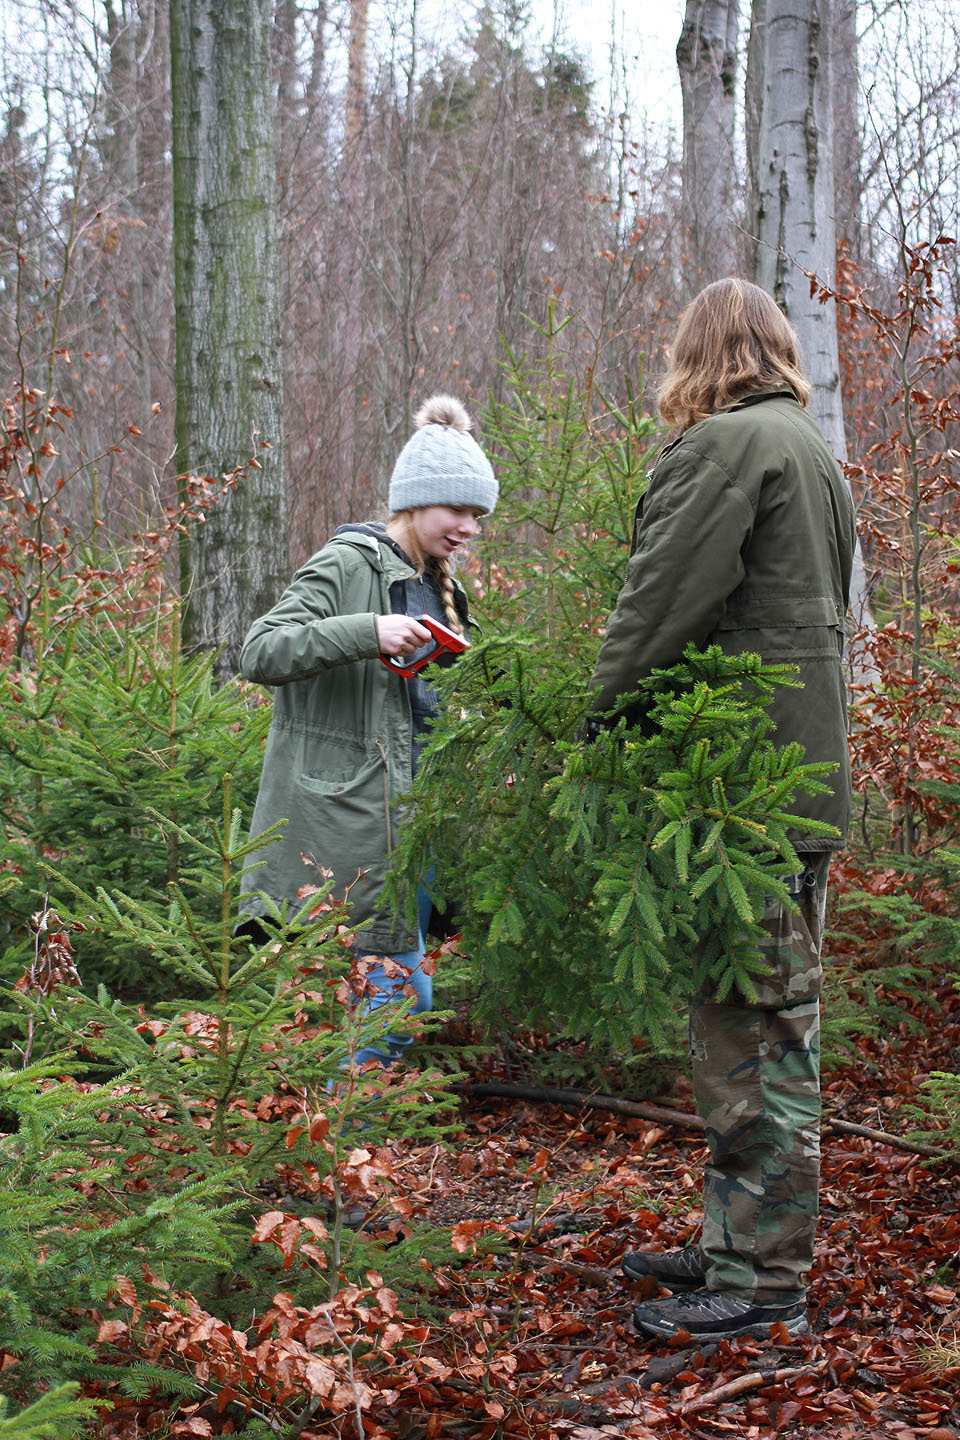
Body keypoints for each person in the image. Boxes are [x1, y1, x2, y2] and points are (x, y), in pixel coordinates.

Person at [588, 279, 857, 1342]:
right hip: (797, 783)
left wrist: (594, 723)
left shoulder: (727, 448)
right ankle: (736, 1241)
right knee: (753, 1027)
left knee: (755, 1039)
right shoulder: (810, 452)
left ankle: (761, 1287)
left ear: (699, 356)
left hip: (746, 794)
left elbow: (659, 604)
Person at [238, 395, 497, 1066]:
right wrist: (368, 631)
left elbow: (422, 706)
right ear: (415, 501)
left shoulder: (439, 586)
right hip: (354, 823)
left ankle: (348, 1127)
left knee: (395, 1001)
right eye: (458, 509)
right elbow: (260, 651)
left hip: (415, 825)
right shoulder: (349, 562)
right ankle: (346, 1130)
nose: (469, 527)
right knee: (392, 1002)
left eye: (478, 515)